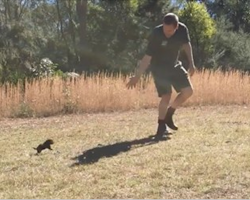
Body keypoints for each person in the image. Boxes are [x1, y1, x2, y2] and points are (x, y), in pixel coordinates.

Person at [126, 13, 195, 138]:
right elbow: (147, 57)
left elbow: (186, 45)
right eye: (165, 29)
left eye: (170, 30)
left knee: (188, 91)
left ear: (176, 27)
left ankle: (170, 113)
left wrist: (191, 63)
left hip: (174, 65)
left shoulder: (182, 29)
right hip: (159, 68)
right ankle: (161, 126)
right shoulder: (156, 33)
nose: (167, 33)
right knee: (166, 96)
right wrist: (137, 76)